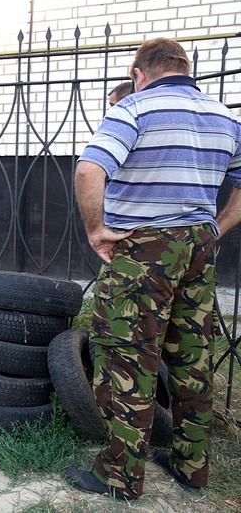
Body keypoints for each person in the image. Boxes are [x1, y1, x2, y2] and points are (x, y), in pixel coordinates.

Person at [66, 37, 241, 501]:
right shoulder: (225, 117)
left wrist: (97, 230)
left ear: (139, 74)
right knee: (191, 359)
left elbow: (88, 170)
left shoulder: (136, 110)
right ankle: (191, 468)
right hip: (200, 248)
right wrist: (217, 228)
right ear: (185, 69)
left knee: (127, 357)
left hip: (144, 249)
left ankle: (120, 477)